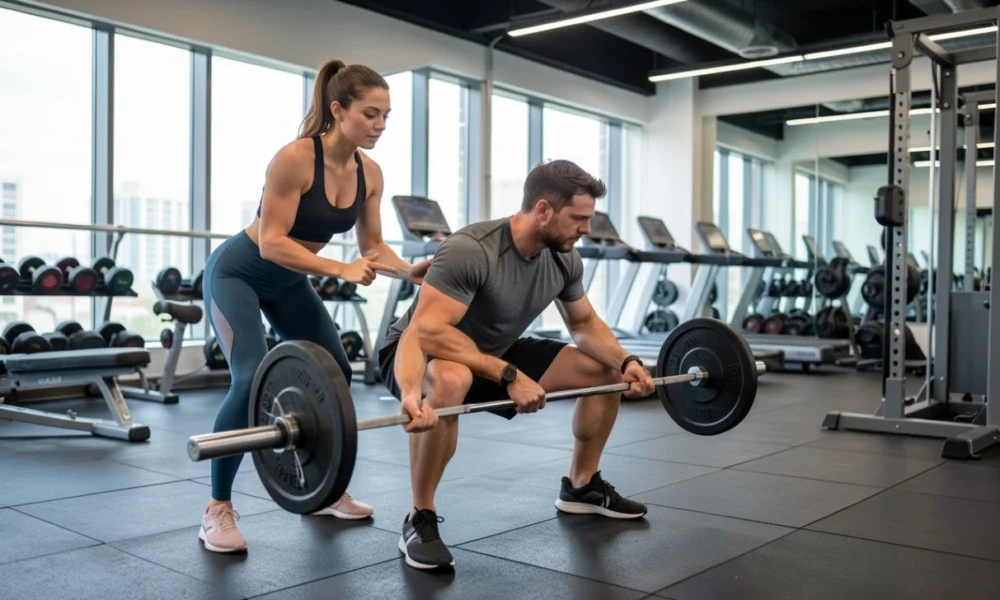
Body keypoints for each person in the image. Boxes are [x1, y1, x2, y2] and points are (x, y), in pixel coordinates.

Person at [198, 58, 430, 554]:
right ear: (337, 109)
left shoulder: (370, 173)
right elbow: (271, 243)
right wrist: (340, 270)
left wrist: (410, 270)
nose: (381, 126)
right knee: (248, 378)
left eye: (387, 116)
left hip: (287, 282)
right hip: (238, 273)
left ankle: (322, 488)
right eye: (371, 114)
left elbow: (373, 247)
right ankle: (217, 508)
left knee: (336, 371)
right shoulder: (295, 158)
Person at [378, 159, 657, 571]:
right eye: (578, 218)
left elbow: (583, 323)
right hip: (420, 350)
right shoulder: (471, 249)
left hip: (495, 348)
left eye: (589, 219)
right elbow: (429, 333)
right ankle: (419, 516)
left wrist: (627, 359)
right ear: (543, 210)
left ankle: (581, 486)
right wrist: (510, 375)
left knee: (604, 373)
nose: (586, 229)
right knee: (452, 378)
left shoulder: (563, 257)